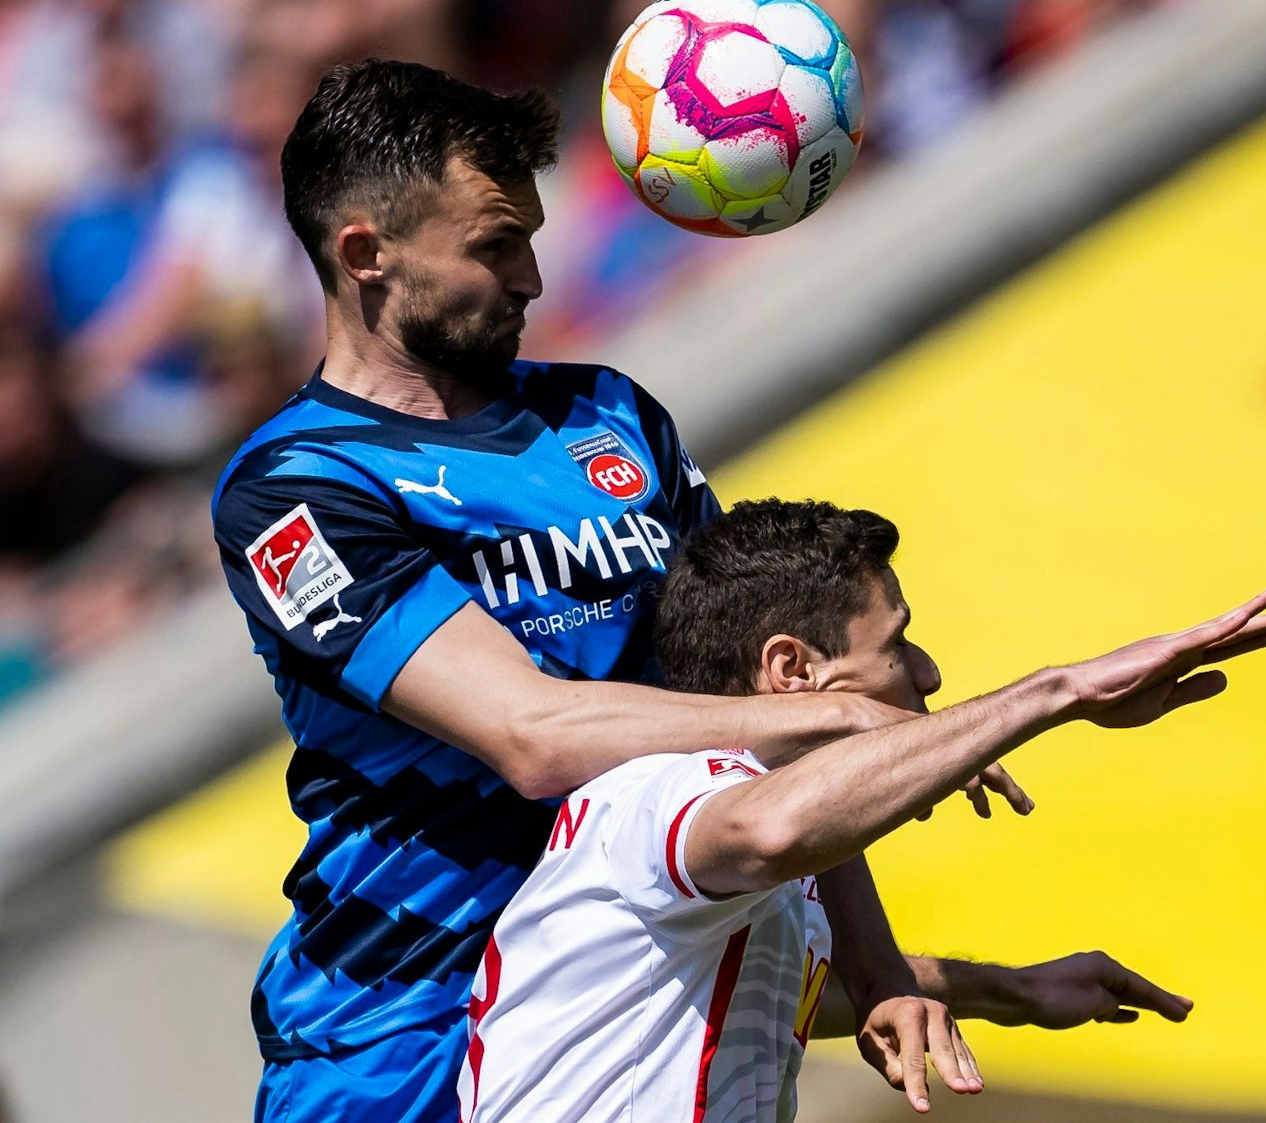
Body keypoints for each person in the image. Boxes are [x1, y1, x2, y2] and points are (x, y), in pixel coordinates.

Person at [212, 60, 1021, 1123]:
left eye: (532, 240)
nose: (532, 279)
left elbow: (756, 719)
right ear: (366, 254)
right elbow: (534, 734)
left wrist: (876, 972)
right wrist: (848, 718)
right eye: (494, 246)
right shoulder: (298, 492)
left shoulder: (611, 419)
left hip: (619, 998)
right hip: (404, 1033)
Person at [459, 499, 1266, 1121]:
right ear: (791, 669)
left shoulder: (744, 861)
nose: (925, 672)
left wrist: (1011, 991)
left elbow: (773, 994)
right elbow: (766, 830)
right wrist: (1060, 691)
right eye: (895, 644)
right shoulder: (665, 785)